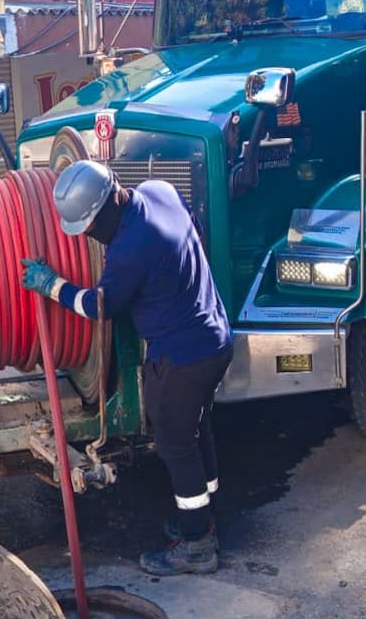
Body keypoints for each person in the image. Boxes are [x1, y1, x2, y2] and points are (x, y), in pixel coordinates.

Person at [21, 160, 233, 576]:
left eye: (87, 227)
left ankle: (197, 545)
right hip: (216, 338)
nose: (87, 236)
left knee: (175, 445)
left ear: (105, 209)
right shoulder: (159, 191)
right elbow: (196, 232)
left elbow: (99, 306)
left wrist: (51, 285)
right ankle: (202, 517)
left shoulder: (130, 249)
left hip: (181, 358)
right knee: (196, 432)